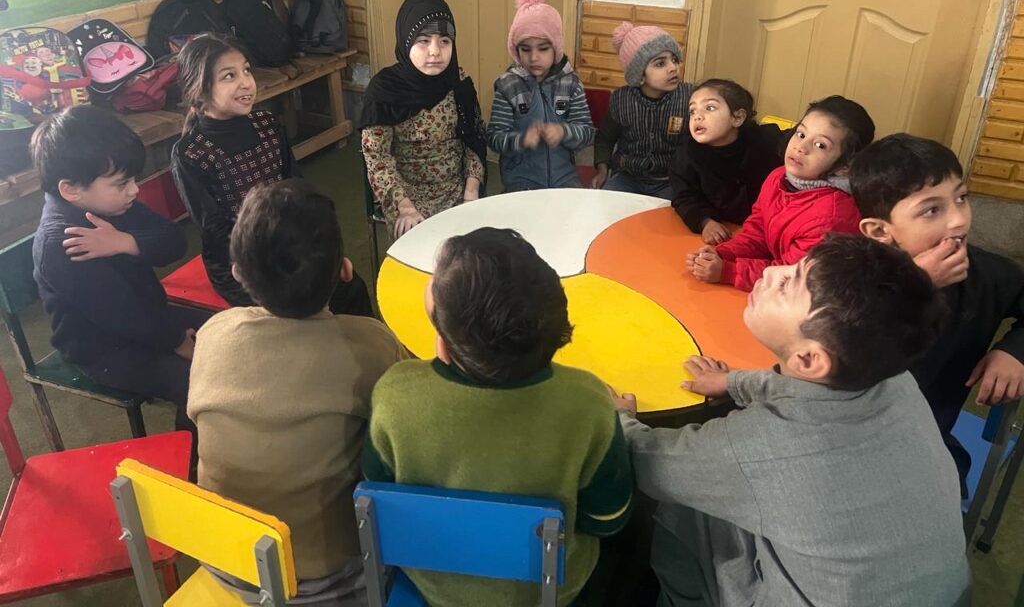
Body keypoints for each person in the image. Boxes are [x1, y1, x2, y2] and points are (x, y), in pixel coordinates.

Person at [614, 235, 969, 607]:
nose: (769, 272)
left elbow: (646, 460)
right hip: (945, 594)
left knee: (680, 511)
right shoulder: (892, 378)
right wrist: (735, 382)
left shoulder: (758, 448)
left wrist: (619, 419)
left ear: (809, 359)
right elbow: (809, 384)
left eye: (788, 284)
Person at [363, 227, 633, 606]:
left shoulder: (393, 392)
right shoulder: (589, 404)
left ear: (441, 344)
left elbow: (380, 490)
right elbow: (608, 519)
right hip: (548, 590)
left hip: (432, 586)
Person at [189, 179, 405, 605]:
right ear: (345, 270)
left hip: (223, 561)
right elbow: (400, 438)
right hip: (329, 584)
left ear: (236, 271)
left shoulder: (213, 334)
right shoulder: (372, 343)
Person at [850, 133, 1024, 487]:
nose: (959, 220)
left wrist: (1014, 351)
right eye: (932, 209)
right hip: (840, 440)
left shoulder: (988, 274)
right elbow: (836, 354)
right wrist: (919, 284)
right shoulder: (846, 276)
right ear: (880, 231)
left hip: (923, 439)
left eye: (961, 198)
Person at [171, 33, 372, 315]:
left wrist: (323, 249)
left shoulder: (266, 124)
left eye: (246, 70)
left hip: (292, 240)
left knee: (351, 288)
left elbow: (297, 185)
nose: (245, 82)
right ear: (201, 92)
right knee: (295, 306)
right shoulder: (191, 153)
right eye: (229, 76)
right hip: (243, 260)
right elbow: (215, 229)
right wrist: (276, 255)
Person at [30, 106, 197, 439]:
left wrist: (127, 242)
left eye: (133, 179)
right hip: (103, 348)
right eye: (122, 183)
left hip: (149, 316)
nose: (134, 190)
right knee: (196, 382)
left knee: (228, 332)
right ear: (71, 190)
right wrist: (178, 341)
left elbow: (175, 241)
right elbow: (122, 315)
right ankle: (195, 469)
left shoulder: (116, 204)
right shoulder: (62, 244)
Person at [687, 95, 873, 291]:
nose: (800, 147)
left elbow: (793, 276)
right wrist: (722, 254)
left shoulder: (832, 217)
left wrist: (729, 271)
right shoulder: (779, 177)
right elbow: (758, 232)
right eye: (801, 134)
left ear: (845, 166)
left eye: (820, 145)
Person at [360, 0, 487, 238]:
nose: (435, 52)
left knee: (472, 260)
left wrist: (471, 193)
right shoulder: (385, 91)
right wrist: (404, 206)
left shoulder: (458, 82)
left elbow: (474, 142)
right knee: (421, 257)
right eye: (423, 41)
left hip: (458, 190)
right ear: (406, 41)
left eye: (444, 41)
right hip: (407, 197)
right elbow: (377, 159)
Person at [487, 0, 594, 191]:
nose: (534, 57)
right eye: (525, 49)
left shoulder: (571, 83)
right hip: (520, 182)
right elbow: (495, 137)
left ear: (556, 48)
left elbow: (587, 132)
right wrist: (522, 140)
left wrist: (564, 132)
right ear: (516, 51)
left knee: (574, 220)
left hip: (564, 179)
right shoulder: (508, 86)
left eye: (543, 48)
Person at [669, 79, 786, 244]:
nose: (698, 117)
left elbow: (799, 140)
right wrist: (706, 222)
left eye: (709, 108)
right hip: (727, 231)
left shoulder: (766, 140)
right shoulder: (687, 154)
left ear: (737, 118)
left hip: (770, 229)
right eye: (692, 111)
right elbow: (685, 196)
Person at [591, 22, 693, 198]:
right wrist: (602, 169)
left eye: (674, 60)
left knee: (671, 217)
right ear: (639, 75)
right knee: (606, 207)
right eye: (660, 63)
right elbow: (605, 139)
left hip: (670, 179)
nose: (673, 68)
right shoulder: (621, 100)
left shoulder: (689, 97)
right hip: (628, 177)